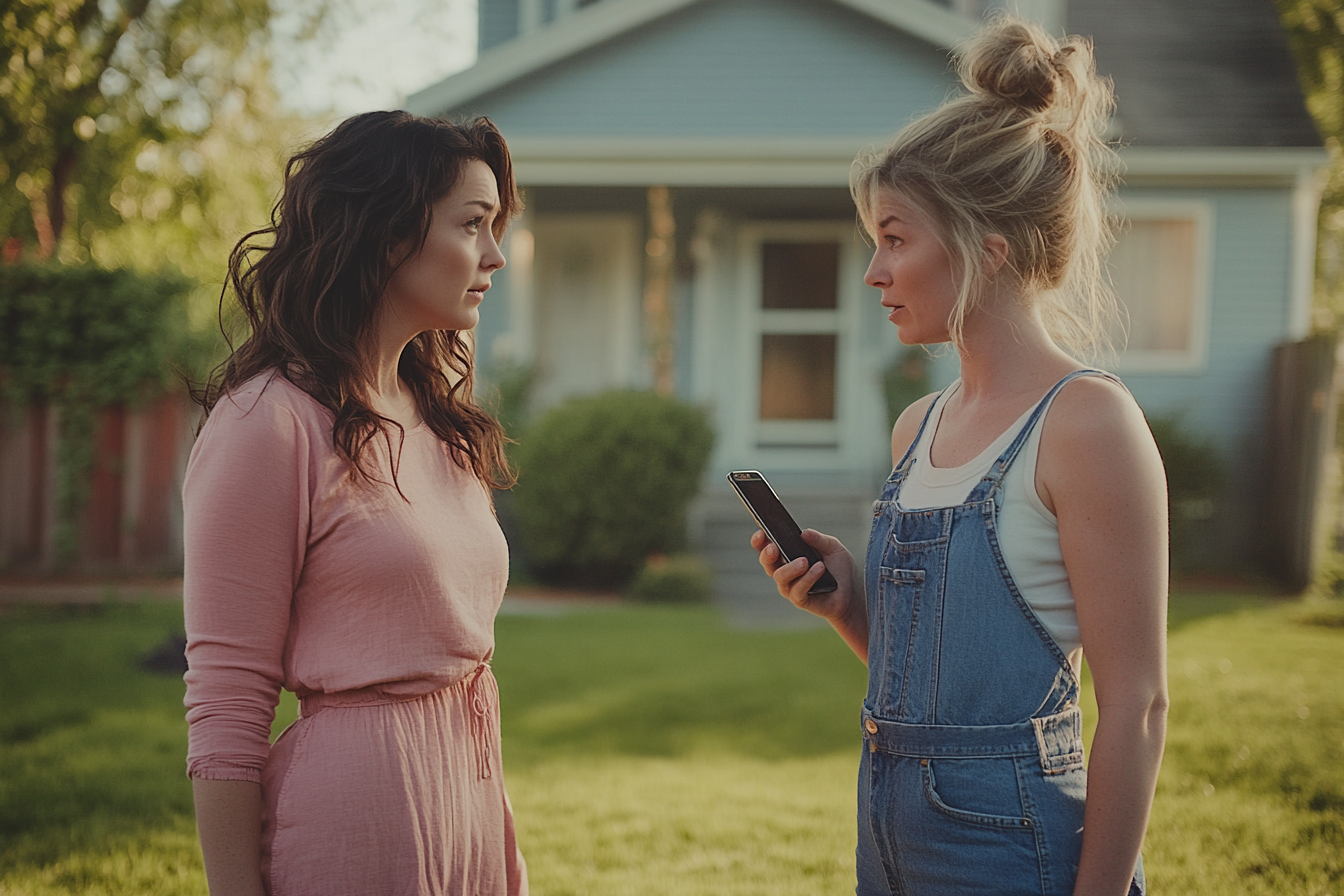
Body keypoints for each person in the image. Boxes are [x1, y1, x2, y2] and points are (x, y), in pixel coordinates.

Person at [752, 16, 1167, 896]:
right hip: (890, 851)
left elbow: (1135, 707)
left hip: (1020, 859)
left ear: (988, 248)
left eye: (896, 238)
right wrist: (846, 605)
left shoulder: (1086, 424)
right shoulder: (918, 426)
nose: (874, 271)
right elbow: (947, 701)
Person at [183, 111, 528, 896]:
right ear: (386, 231)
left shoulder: (438, 415)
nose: (496, 255)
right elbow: (227, 703)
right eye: (472, 224)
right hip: (352, 835)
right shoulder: (265, 423)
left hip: (469, 814)